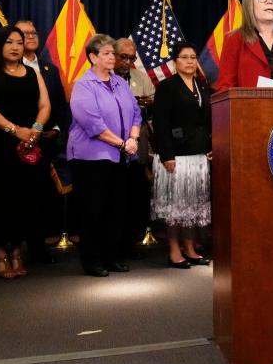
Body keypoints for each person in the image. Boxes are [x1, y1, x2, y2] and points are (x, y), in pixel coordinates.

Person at [0, 26, 51, 279]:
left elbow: (45, 105)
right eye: (10, 42)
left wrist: (35, 130)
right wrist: (14, 129)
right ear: (0, 45)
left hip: (28, 143)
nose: (16, 47)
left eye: (20, 42)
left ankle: (17, 249)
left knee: (24, 198)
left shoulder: (32, 72)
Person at [68, 34, 142, 277]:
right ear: (92, 57)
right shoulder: (84, 85)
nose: (113, 58)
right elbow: (93, 124)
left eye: (113, 53)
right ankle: (92, 260)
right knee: (93, 210)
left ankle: (112, 257)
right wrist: (123, 144)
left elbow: (136, 114)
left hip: (122, 156)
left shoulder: (120, 83)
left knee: (116, 209)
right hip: (91, 159)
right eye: (107, 54)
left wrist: (134, 139)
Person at [151, 42, 212, 268]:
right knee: (175, 206)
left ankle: (190, 247)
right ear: (175, 62)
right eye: (184, 57)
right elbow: (161, 122)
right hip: (174, 157)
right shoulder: (166, 87)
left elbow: (207, 122)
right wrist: (167, 154)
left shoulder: (203, 86)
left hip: (198, 156)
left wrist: (210, 145)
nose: (189, 61)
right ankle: (174, 250)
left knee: (192, 205)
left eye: (193, 57)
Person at [16, 19, 69, 264]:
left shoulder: (49, 69)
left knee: (40, 198)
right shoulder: (10, 68)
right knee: (19, 198)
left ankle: (38, 249)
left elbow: (59, 104)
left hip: (46, 142)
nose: (31, 36)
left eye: (33, 32)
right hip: (18, 142)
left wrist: (57, 128)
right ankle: (13, 249)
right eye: (24, 33)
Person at [114, 37, 156, 257]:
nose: (127, 62)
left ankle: (130, 242)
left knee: (135, 195)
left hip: (138, 144)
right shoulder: (106, 76)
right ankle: (113, 244)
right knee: (115, 197)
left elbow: (153, 102)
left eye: (132, 58)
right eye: (123, 57)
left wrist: (148, 103)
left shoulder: (140, 77)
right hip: (112, 146)